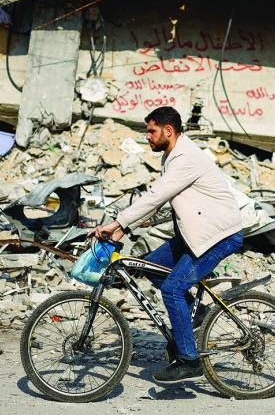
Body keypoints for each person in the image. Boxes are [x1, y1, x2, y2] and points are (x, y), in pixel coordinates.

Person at [88, 107, 244, 384]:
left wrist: (119, 223)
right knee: (152, 267)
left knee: (172, 289)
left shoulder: (184, 157)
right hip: (196, 233)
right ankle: (198, 315)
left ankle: (189, 361)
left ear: (168, 131)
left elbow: (157, 195)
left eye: (151, 131)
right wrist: (128, 225)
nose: (147, 137)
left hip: (217, 235)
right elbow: (165, 201)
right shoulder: (173, 156)